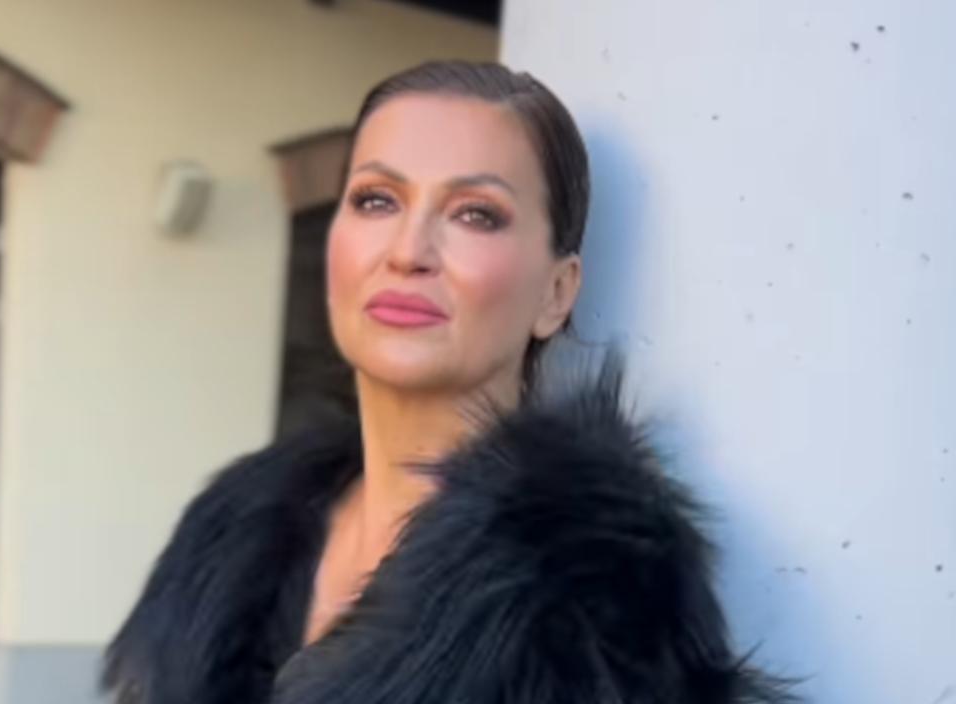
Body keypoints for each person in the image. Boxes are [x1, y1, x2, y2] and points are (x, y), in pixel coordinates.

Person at [103, 61, 792, 704]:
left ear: (556, 292)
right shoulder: (227, 535)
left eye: (475, 214)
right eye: (376, 200)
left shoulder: (602, 596)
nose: (409, 252)